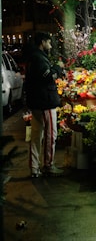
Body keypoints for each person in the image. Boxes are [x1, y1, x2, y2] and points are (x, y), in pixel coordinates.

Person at [25, 32, 64, 177]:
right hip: (45, 102)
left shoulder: (32, 57)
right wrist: (58, 68)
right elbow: (47, 76)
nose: (50, 45)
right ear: (42, 42)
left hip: (36, 102)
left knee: (36, 136)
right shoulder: (39, 58)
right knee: (50, 135)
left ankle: (34, 168)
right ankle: (49, 165)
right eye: (49, 42)